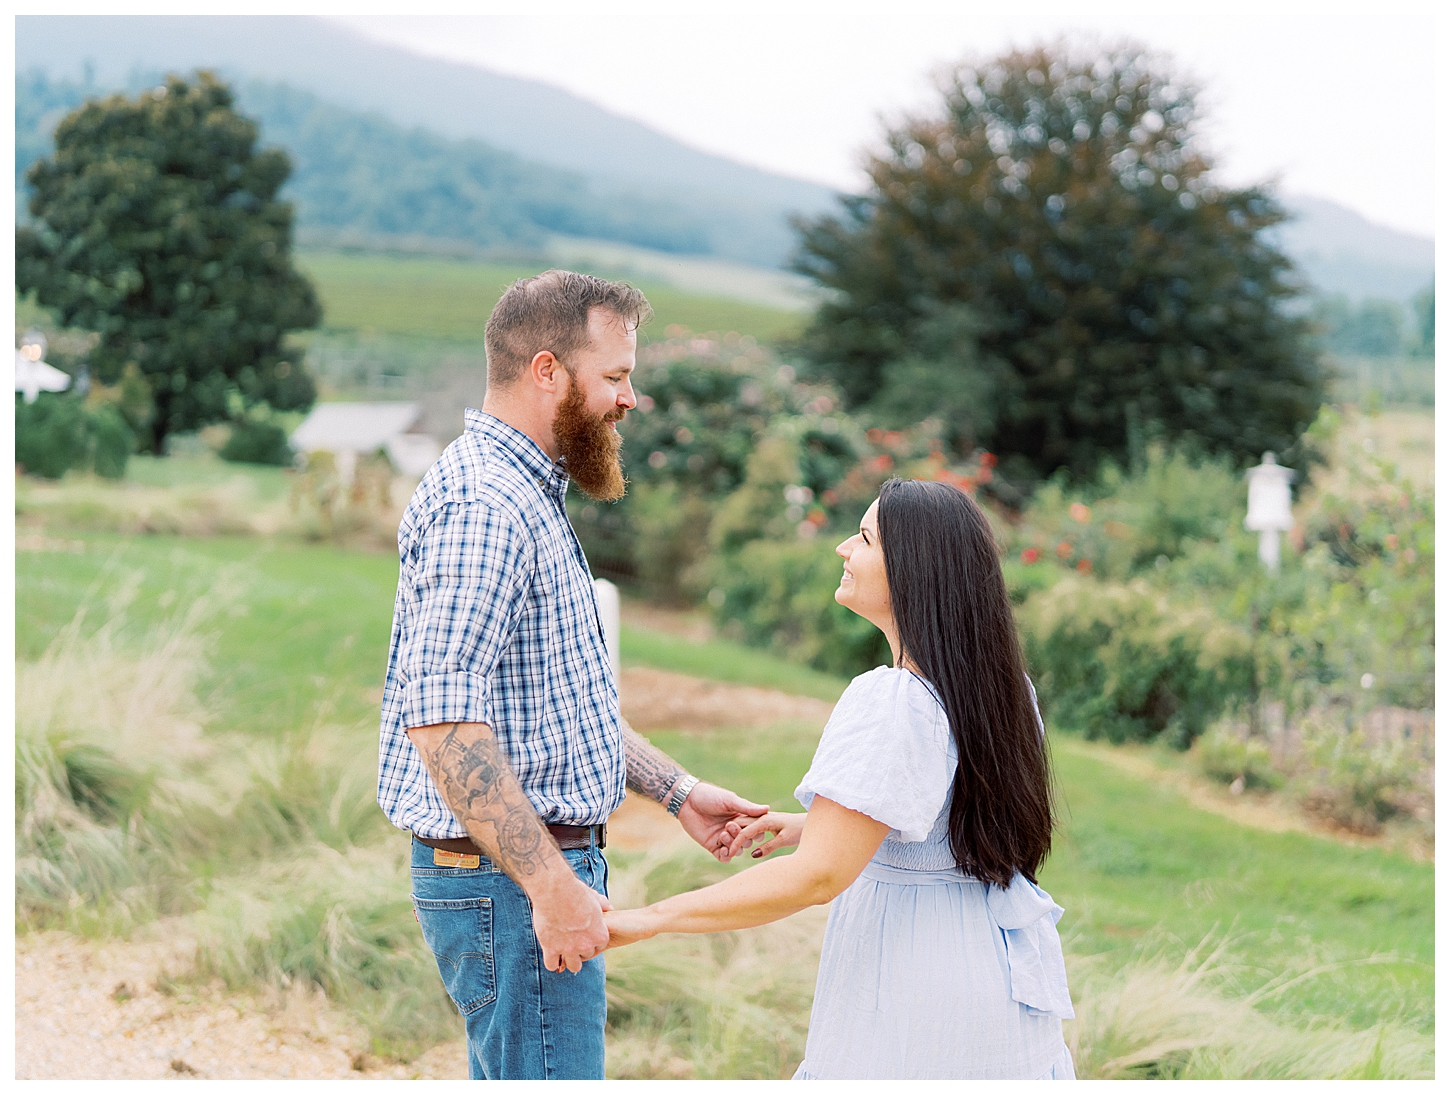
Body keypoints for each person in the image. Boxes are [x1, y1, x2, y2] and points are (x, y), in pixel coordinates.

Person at [377, 270, 767, 1081]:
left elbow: (552, 708)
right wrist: (552, 888)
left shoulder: (524, 492)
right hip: (514, 883)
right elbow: (443, 721)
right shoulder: (488, 503)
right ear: (547, 370)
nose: (631, 399)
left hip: (517, 876)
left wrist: (675, 789)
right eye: (616, 377)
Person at [604, 479, 1076, 1080]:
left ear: (912, 571)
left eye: (864, 537)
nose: (842, 549)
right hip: (994, 977)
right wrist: (815, 825)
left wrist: (645, 919)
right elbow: (950, 817)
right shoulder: (1002, 693)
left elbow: (818, 877)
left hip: (910, 988)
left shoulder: (892, 699)